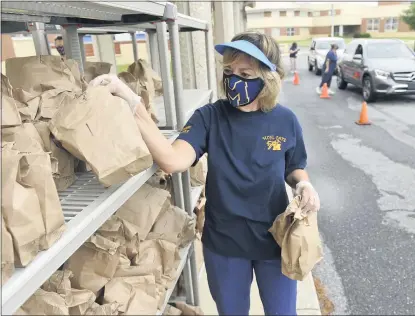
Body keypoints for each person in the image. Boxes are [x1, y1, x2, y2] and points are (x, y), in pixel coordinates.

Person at [90, 31, 320, 316]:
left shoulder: (286, 120)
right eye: (229, 71)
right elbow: (172, 160)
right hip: (225, 243)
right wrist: (131, 101)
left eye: (245, 72)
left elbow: (294, 166)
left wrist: (304, 186)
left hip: (275, 240)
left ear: (268, 77)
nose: (234, 79)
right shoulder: (210, 117)